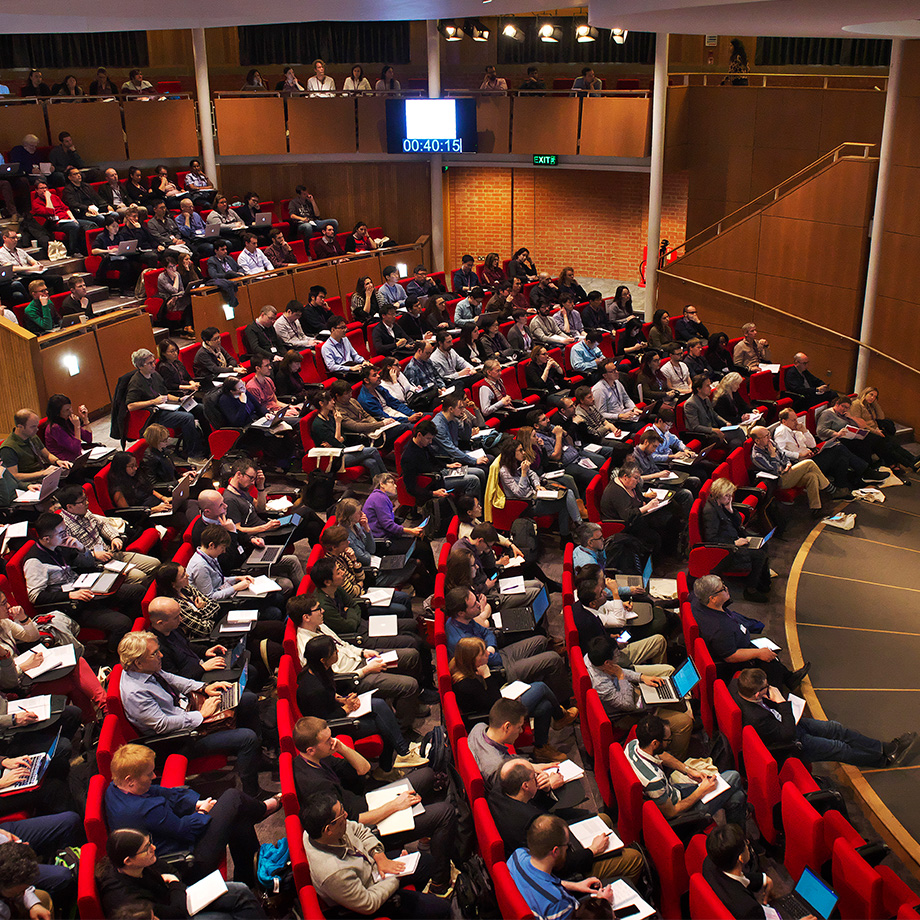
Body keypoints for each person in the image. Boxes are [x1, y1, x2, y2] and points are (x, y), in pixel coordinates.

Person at [292, 716, 455, 892]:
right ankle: (440, 883)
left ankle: (424, 836)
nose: (333, 742)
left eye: (332, 737)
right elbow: (352, 822)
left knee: (427, 775)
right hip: (367, 826)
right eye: (328, 741)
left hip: (367, 802)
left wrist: (341, 747)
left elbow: (364, 769)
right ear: (311, 749)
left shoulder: (319, 757)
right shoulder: (317, 785)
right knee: (445, 813)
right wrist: (395, 805)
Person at [103, 744, 279, 885]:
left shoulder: (115, 788)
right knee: (233, 798)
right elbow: (185, 831)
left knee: (237, 815)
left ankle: (250, 878)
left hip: (180, 839)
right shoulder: (144, 810)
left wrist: (195, 803)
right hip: (186, 859)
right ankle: (263, 809)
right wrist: (202, 811)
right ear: (130, 780)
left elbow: (162, 792)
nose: (154, 775)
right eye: (149, 774)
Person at [117, 631, 265, 794]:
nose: (161, 655)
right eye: (154, 654)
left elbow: (172, 679)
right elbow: (162, 725)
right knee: (247, 738)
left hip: (188, 711)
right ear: (138, 663)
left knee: (247, 699)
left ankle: (257, 758)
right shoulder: (135, 693)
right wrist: (202, 715)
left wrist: (203, 687)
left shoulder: (146, 668)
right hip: (181, 739)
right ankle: (253, 794)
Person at [733, 667, 919, 770]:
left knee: (836, 729)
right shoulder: (755, 719)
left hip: (789, 722)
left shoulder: (738, 686)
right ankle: (883, 760)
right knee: (840, 748)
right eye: (766, 687)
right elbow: (786, 735)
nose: (770, 688)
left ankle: (885, 748)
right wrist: (781, 702)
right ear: (757, 694)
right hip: (790, 740)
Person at [301, 791, 450, 918]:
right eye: (341, 815)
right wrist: (397, 876)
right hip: (370, 894)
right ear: (328, 829)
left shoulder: (316, 832)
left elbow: (359, 830)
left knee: (428, 862)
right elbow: (369, 903)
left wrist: (380, 856)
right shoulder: (334, 873)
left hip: (373, 866)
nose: (346, 815)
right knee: (443, 910)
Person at [23, 511, 137, 651]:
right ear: (46, 539)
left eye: (65, 531)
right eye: (62, 533)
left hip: (87, 588)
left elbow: (88, 564)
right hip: (72, 604)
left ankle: (121, 630)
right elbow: (35, 597)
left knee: (137, 591)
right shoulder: (34, 562)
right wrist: (69, 595)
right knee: (123, 623)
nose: (66, 536)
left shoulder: (61, 546)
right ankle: (113, 655)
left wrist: (81, 548)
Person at [97, 827, 268, 919]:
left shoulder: (141, 863)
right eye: (147, 848)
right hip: (175, 912)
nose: (153, 849)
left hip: (180, 900)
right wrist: (174, 885)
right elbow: (174, 914)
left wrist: (175, 885)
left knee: (240, 890)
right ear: (128, 861)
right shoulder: (126, 899)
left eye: (150, 843)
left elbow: (173, 872)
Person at [452, 637, 576, 762]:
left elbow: (491, 695)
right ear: (473, 660)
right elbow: (496, 703)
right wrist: (487, 676)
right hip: (495, 717)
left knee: (545, 706)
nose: (487, 653)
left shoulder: (468, 669)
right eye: (482, 653)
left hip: (497, 704)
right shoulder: (466, 684)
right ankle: (560, 717)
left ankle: (541, 748)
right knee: (540, 687)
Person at [445, 587, 569, 702]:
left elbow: (487, 633)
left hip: (498, 655)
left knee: (540, 640)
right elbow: (486, 662)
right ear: (461, 612)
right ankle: (564, 704)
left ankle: (546, 684)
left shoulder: (464, 619)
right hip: (499, 670)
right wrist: (491, 651)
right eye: (474, 605)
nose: (479, 605)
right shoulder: (460, 641)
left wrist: (491, 647)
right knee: (553, 659)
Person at [691, 574, 809, 691]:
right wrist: (758, 654)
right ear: (713, 598)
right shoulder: (720, 628)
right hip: (730, 659)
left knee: (767, 653)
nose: (726, 588)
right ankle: (777, 697)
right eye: (722, 589)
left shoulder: (696, 600)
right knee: (769, 661)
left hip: (736, 640)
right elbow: (730, 656)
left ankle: (788, 678)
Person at [626, 713, 747, 825]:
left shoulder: (633, 745)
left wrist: (687, 770)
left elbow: (661, 754)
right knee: (734, 776)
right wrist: (702, 791)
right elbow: (672, 812)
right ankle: (738, 837)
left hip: (674, 793)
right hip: (683, 813)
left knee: (737, 797)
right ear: (655, 743)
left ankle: (735, 837)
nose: (670, 742)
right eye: (668, 740)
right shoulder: (653, 781)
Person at [585, 635, 692, 758]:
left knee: (668, 692)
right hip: (627, 715)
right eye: (617, 654)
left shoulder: (591, 658)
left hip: (630, 696)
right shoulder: (600, 685)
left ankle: (677, 712)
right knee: (685, 722)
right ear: (607, 663)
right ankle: (674, 760)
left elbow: (618, 669)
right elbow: (628, 705)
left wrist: (641, 677)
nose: (619, 655)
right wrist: (621, 676)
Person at [57, 484, 158, 580]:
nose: (87, 503)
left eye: (86, 499)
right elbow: (73, 556)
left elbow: (102, 524)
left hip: (110, 553)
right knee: (139, 576)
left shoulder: (85, 512)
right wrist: (94, 555)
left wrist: (114, 537)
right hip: (97, 565)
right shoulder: (62, 526)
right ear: (69, 507)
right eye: (82, 501)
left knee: (155, 564)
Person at [774, 406, 877, 495]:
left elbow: (812, 444)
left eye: (796, 419)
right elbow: (781, 452)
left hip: (811, 455)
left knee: (841, 456)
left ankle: (843, 487)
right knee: (839, 449)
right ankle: (865, 472)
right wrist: (799, 454)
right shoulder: (781, 432)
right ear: (784, 421)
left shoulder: (796, 430)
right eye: (793, 420)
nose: (796, 422)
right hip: (803, 463)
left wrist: (804, 431)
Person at [701, 478, 772, 602]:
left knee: (763, 544)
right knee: (759, 554)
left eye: (730, 495)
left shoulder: (722, 504)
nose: (730, 498)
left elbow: (737, 523)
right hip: (728, 549)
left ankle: (762, 582)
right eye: (727, 496)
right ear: (718, 494)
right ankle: (750, 590)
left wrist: (731, 510)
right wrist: (734, 543)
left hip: (734, 539)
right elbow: (711, 539)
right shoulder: (710, 512)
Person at [126, 348, 203, 458]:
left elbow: (165, 394)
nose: (153, 365)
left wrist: (179, 399)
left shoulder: (155, 375)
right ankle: (192, 453)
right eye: (150, 363)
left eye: (153, 361)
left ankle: (204, 443)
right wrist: (153, 401)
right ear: (140, 366)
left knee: (198, 408)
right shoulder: (136, 382)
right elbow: (130, 406)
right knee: (187, 417)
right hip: (154, 415)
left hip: (166, 407)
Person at [817, 395, 920, 477]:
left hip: (852, 435)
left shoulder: (845, 415)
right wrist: (836, 433)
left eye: (847, 408)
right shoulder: (827, 414)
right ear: (837, 404)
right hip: (840, 438)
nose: (844, 409)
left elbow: (862, 424)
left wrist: (850, 416)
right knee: (876, 443)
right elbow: (820, 430)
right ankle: (909, 463)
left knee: (882, 440)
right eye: (843, 406)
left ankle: (909, 461)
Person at [750, 424, 832, 517]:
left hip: (788, 471)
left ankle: (816, 509)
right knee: (809, 463)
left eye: (769, 434)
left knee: (811, 476)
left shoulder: (771, 442)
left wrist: (788, 463)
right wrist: (772, 456)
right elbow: (776, 471)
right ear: (757, 440)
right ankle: (829, 488)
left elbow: (783, 455)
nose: (769, 437)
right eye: (766, 436)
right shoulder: (757, 456)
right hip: (780, 480)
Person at [701, 824, 777, 920]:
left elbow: (737, 878)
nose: (748, 842)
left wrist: (763, 879)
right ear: (740, 858)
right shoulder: (749, 909)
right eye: (745, 843)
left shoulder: (709, 864)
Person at [310, 389, 385, 477]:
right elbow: (337, 441)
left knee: (371, 462)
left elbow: (343, 437)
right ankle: (386, 477)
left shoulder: (330, 417)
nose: (333, 402)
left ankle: (379, 487)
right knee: (373, 450)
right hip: (333, 458)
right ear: (321, 403)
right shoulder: (319, 424)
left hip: (343, 451)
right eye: (330, 400)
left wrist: (338, 440)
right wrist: (338, 423)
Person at [1, 408, 71, 483]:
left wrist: (57, 461)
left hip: (42, 474)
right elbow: (14, 476)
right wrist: (43, 473)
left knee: (75, 474)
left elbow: (47, 455)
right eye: (33, 427)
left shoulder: (32, 436)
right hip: (31, 482)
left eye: (36, 426)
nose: (37, 429)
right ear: (20, 426)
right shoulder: (8, 448)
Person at [683, 375, 744, 448]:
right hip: (706, 435)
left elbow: (714, 414)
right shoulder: (690, 404)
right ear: (699, 389)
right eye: (707, 386)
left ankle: (731, 458)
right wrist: (713, 430)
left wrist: (725, 422)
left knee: (736, 443)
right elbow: (695, 427)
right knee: (738, 432)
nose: (710, 388)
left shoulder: (706, 399)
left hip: (715, 429)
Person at [106, 451, 172, 512]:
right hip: (147, 514)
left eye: (135, 465)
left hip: (158, 505)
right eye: (132, 466)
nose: (135, 468)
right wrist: (153, 510)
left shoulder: (134, 475)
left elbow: (149, 490)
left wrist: (163, 498)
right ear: (121, 468)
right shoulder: (118, 490)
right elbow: (127, 512)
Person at [591, 361, 643, 429]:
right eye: (612, 371)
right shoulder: (599, 390)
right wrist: (620, 416)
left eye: (616, 369)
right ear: (605, 375)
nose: (617, 372)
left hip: (624, 415)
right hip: (614, 422)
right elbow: (601, 414)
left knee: (649, 418)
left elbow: (626, 399)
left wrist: (634, 408)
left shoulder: (617, 382)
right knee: (641, 425)